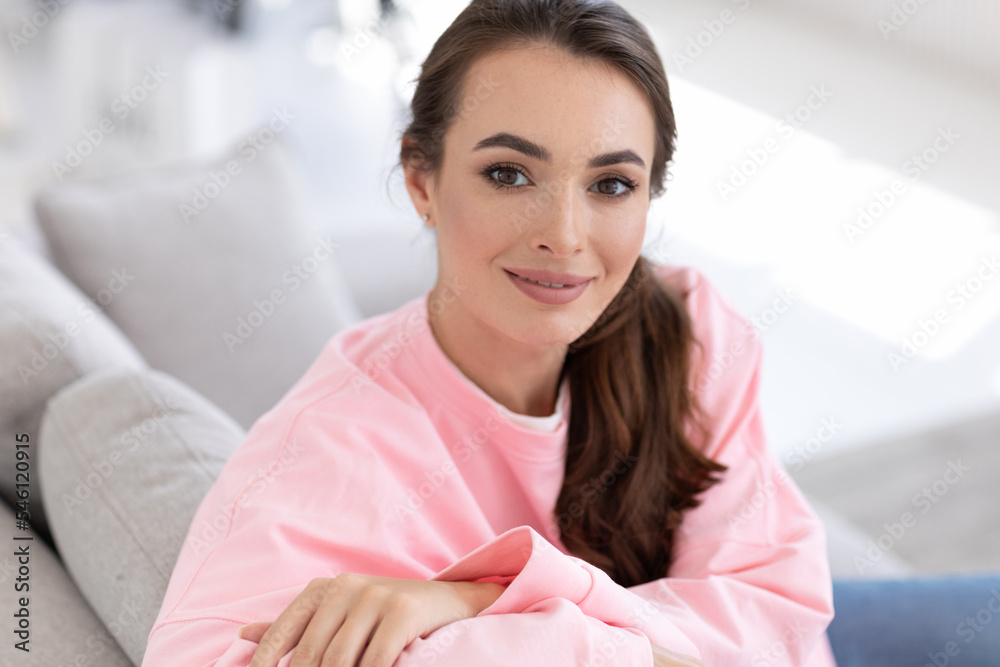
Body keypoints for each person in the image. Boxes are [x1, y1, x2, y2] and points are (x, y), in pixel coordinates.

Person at [141, 0, 837, 665]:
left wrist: (478, 600)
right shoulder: (330, 453)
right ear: (421, 180)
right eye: (509, 174)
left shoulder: (687, 330)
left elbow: (778, 620)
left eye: (611, 184)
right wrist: (561, 627)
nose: (564, 236)